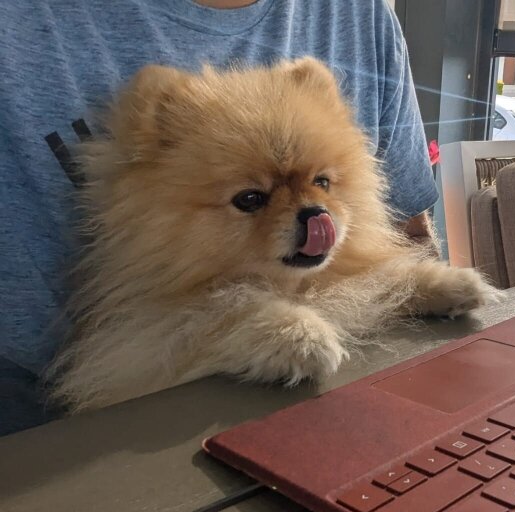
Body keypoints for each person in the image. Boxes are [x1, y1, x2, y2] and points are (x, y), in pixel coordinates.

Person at [0, 0, 439, 435]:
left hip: (357, 416)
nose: (311, 211)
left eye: (322, 182)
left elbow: (408, 235)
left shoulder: (358, 13)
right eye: (250, 199)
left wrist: (410, 285)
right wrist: (242, 328)